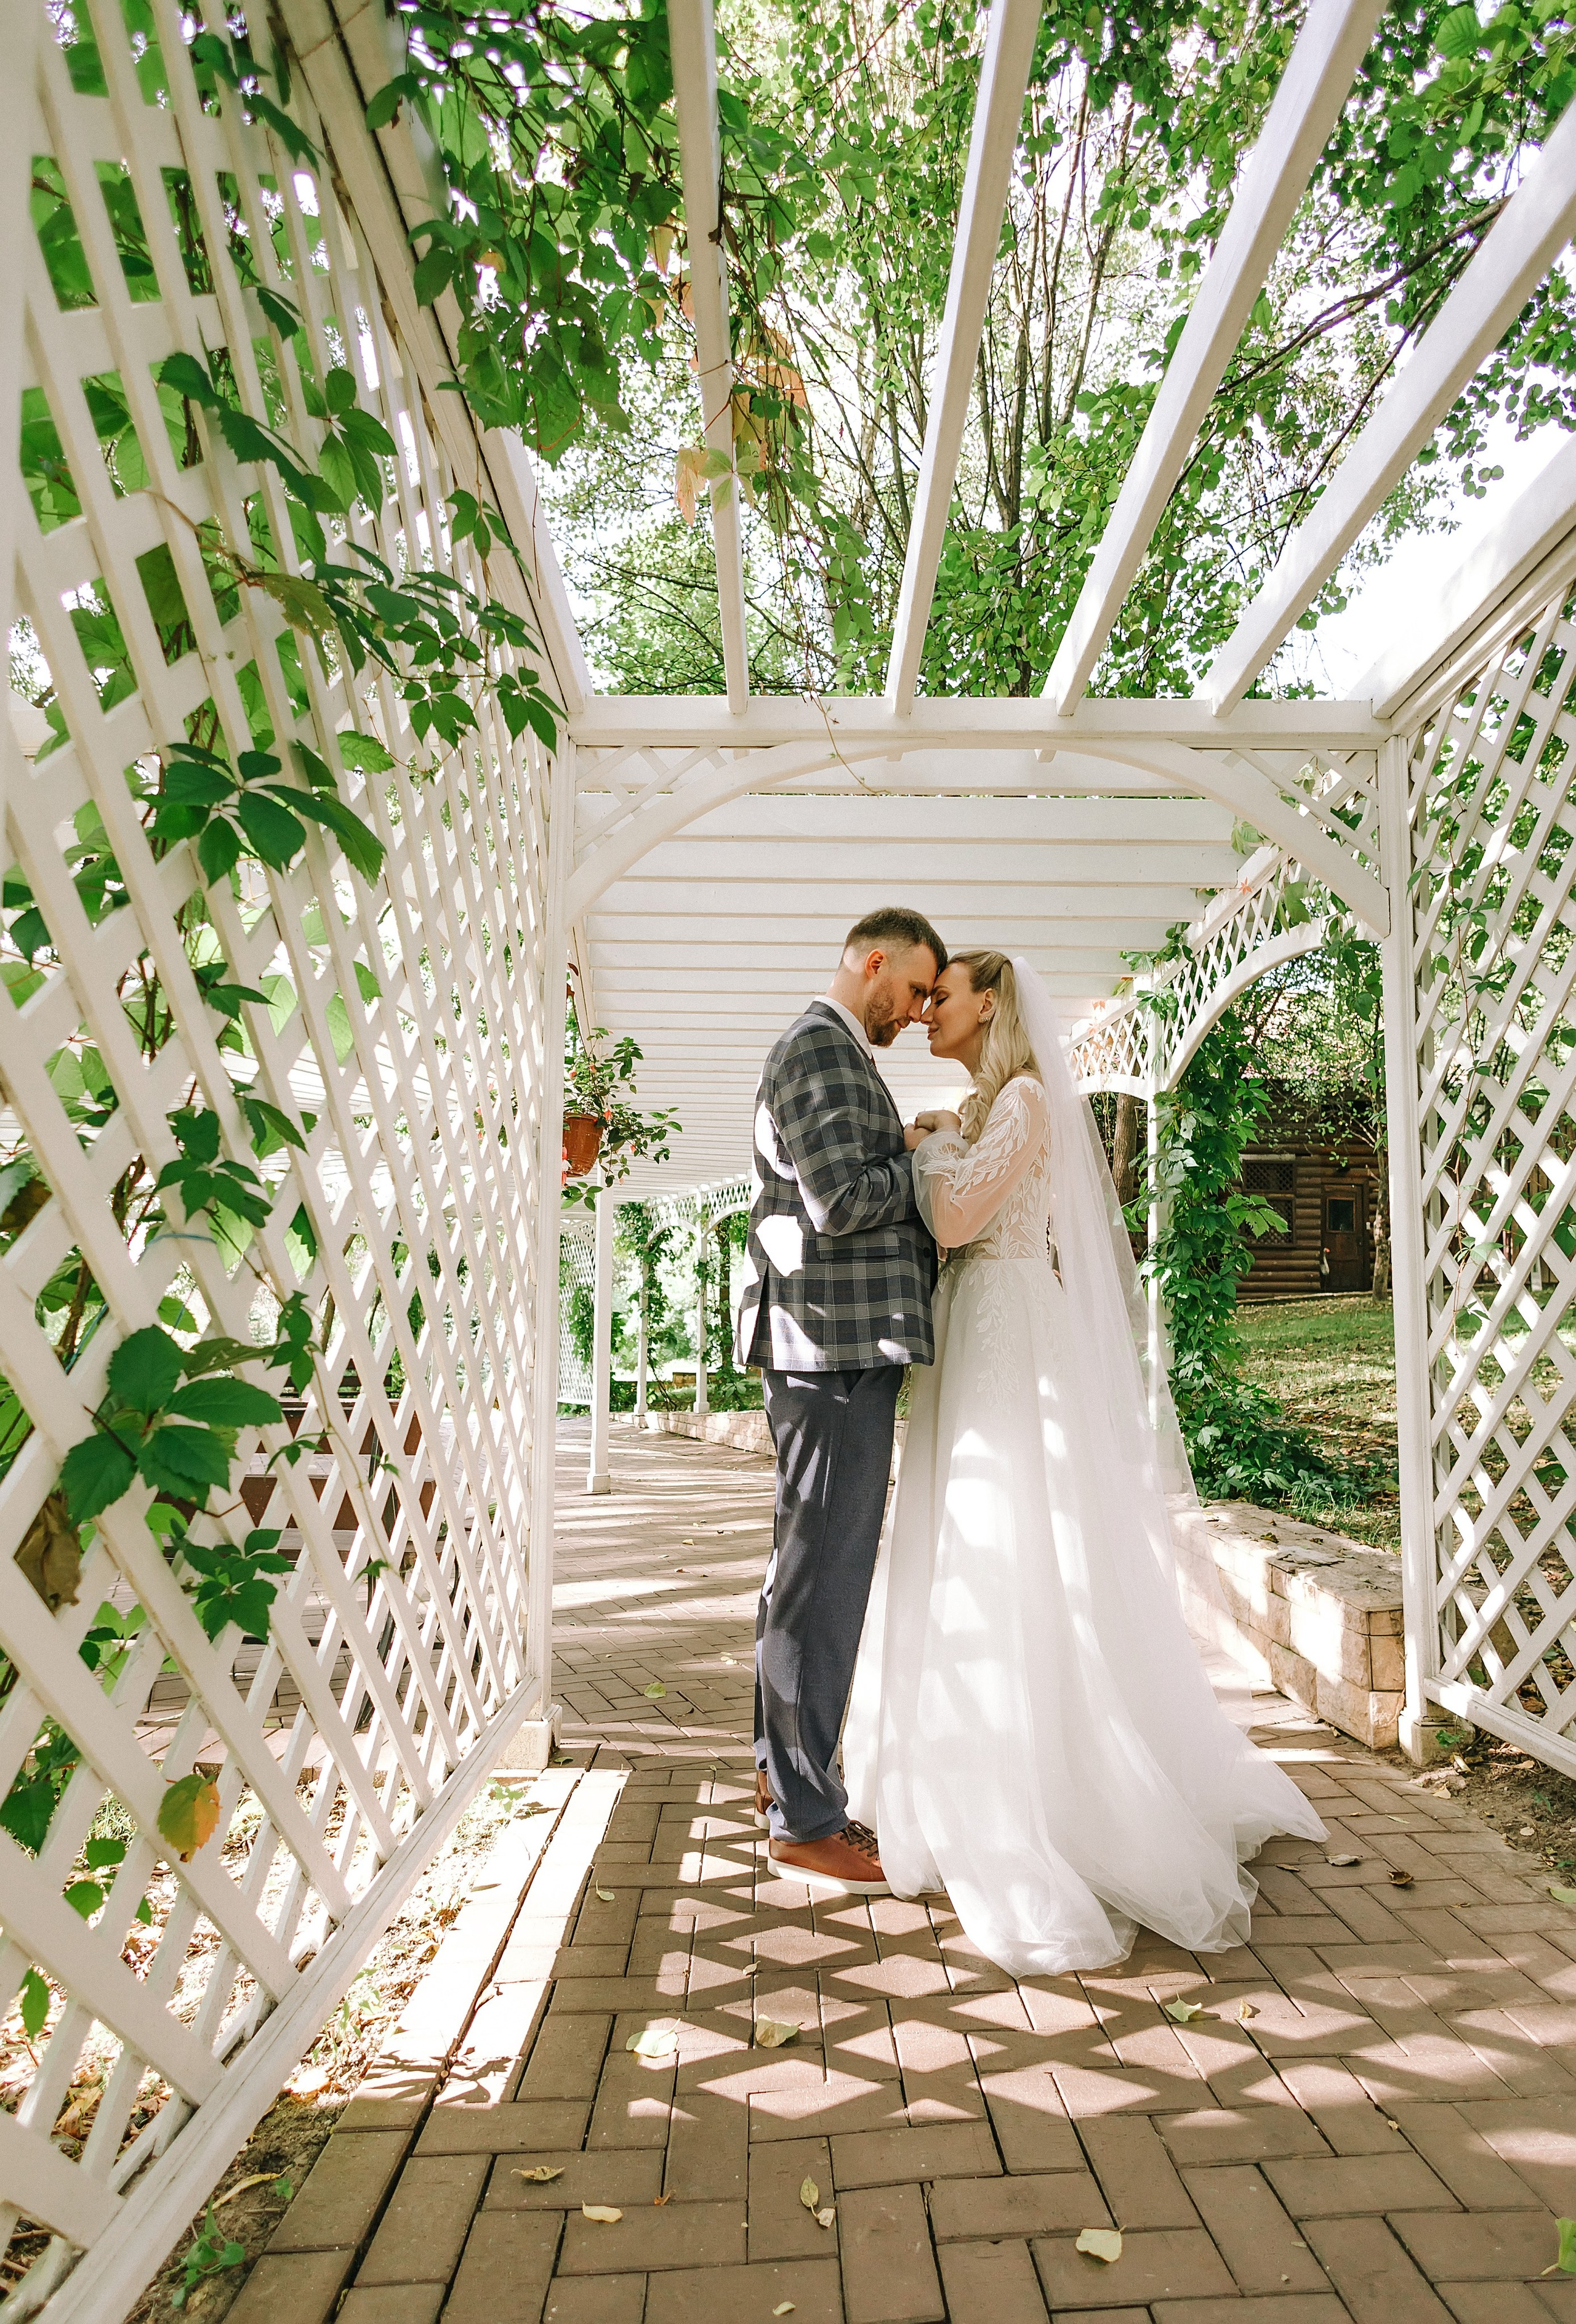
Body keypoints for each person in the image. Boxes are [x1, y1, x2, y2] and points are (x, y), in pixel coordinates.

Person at [842, 951, 1327, 1972]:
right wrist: (946, 1132)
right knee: (965, 1530)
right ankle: (952, 1766)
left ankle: (1041, 1791)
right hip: (977, 1325)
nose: (927, 1012)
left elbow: (959, 1218)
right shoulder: (990, 1105)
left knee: (1010, 1537)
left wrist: (931, 1147)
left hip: (1011, 1332)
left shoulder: (1023, 1100)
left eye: (942, 997)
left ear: (990, 1004)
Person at [736, 906, 946, 1896]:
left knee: (810, 1569)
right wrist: (925, 1159)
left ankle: (788, 1783)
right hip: (832, 1347)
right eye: (915, 989)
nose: (919, 1009)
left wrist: (898, 1138)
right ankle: (805, 1820)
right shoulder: (819, 1046)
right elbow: (842, 1200)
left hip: (836, 1346)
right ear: (874, 962)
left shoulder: (834, 1050)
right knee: (824, 1578)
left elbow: (841, 1170)